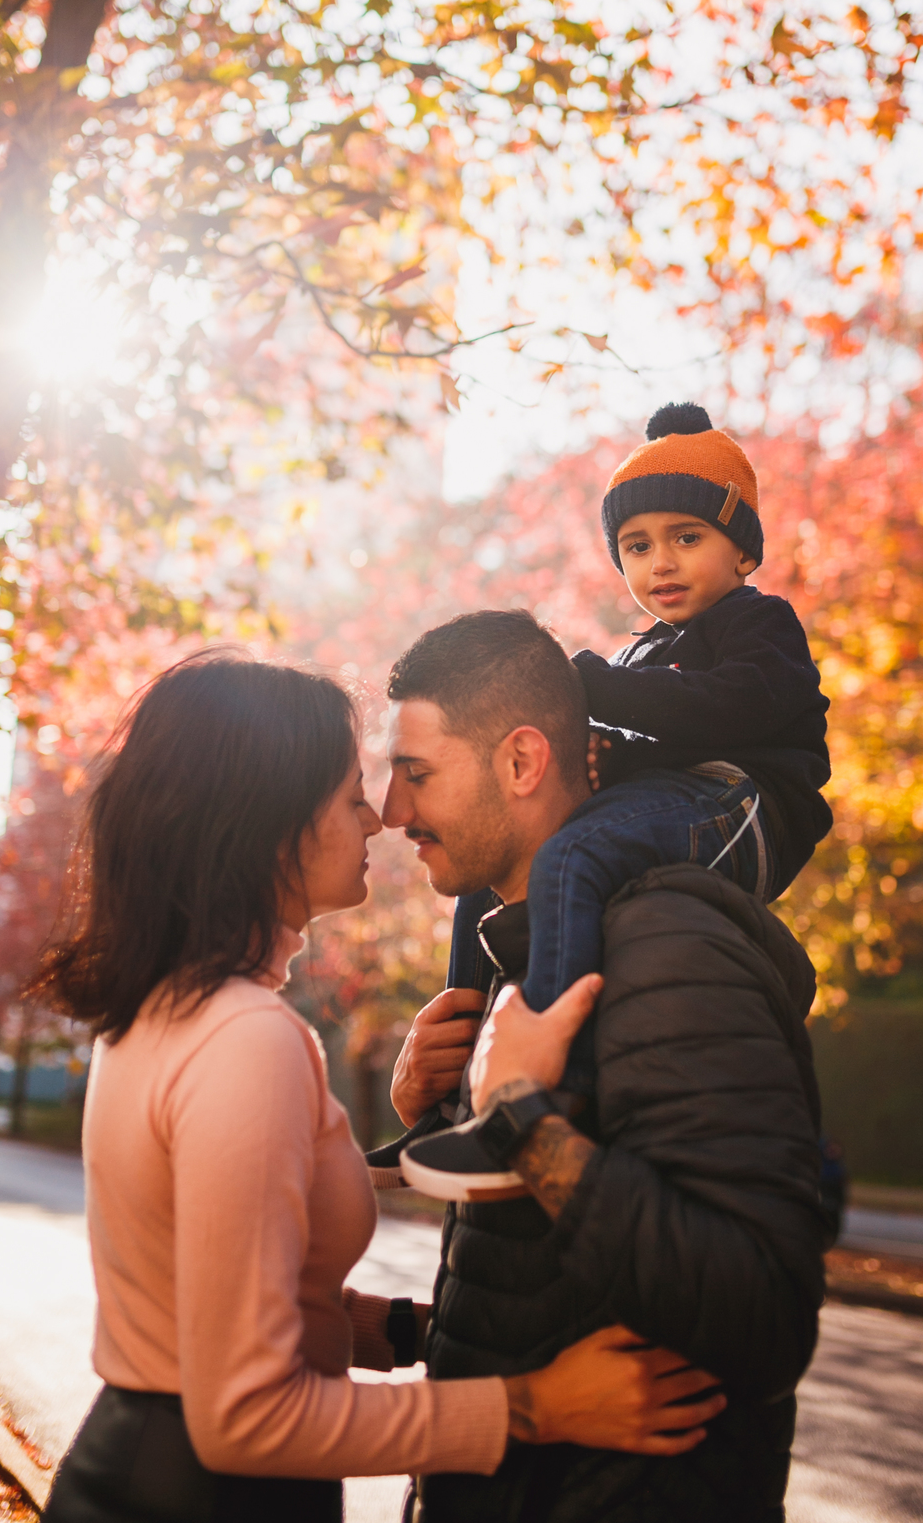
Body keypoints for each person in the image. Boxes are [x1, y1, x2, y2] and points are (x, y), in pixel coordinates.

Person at [32, 648, 727, 1523]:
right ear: (269, 822)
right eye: (352, 794)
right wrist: (533, 1407)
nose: (378, 819)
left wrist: (412, 1332)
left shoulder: (168, 1006)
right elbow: (247, 1416)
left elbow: (226, 1287)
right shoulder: (247, 1041)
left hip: (149, 1469)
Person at [381, 611, 827, 1522]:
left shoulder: (668, 945)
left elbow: (764, 1315)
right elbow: (526, 1291)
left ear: (520, 762)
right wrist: (445, 1106)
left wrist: (518, 1123)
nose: (391, 812)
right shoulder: (519, 954)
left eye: (415, 774)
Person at [400, 401, 831, 1178]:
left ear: (742, 552)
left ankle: (534, 1097)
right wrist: (599, 753)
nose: (659, 563)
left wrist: (597, 694)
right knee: (492, 871)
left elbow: (737, 707)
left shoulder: (757, 623)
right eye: (637, 546)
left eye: (686, 538)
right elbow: (642, 735)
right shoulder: (640, 655)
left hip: (747, 802)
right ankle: (450, 1101)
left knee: (576, 851)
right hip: (680, 797)